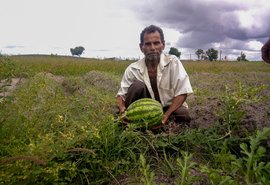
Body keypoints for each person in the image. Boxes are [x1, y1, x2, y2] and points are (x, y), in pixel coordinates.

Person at [116, 25, 193, 126]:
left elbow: (182, 92)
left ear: (163, 44)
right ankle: (128, 121)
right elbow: (121, 95)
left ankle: (159, 123)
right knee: (137, 86)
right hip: (144, 108)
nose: (152, 48)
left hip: (168, 107)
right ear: (141, 47)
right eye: (147, 44)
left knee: (184, 114)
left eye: (156, 43)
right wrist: (122, 109)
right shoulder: (132, 69)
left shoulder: (173, 62)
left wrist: (166, 115)